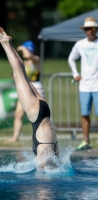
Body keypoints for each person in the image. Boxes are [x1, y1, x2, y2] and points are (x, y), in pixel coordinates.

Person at [0, 26, 59, 168]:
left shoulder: (51, 155)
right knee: (19, 74)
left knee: (20, 73)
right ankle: (5, 43)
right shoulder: (45, 158)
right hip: (38, 116)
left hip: (44, 113)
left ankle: (7, 43)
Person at [5, 40, 45, 142]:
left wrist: (22, 48)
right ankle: (15, 136)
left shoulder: (36, 60)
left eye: (24, 50)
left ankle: (42, 137)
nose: (23, 52)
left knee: (40, 116)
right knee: (18, 114)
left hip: (36, 89)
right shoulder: (25, 63)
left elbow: (29, 56)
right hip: (25, 88)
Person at [68, 17, 98, 151]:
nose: (89, 31)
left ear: (96, 29)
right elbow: (71, 58)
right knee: (85, 114)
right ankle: (86, 141)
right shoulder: (80, 44)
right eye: (87, 28)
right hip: (84, 86)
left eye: (92, 28)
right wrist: (75, 74)